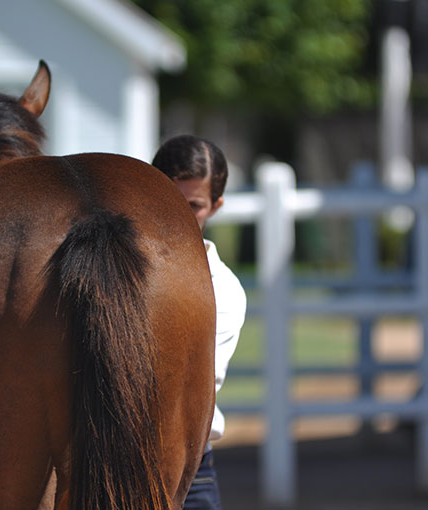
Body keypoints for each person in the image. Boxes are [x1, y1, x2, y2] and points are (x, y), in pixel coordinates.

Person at [152, 135, 246, 510]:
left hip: (187, 465)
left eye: (193, 205)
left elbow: (193, 387)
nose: (178, 215)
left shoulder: (221, 288)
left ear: (216, 206)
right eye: (169, 200)